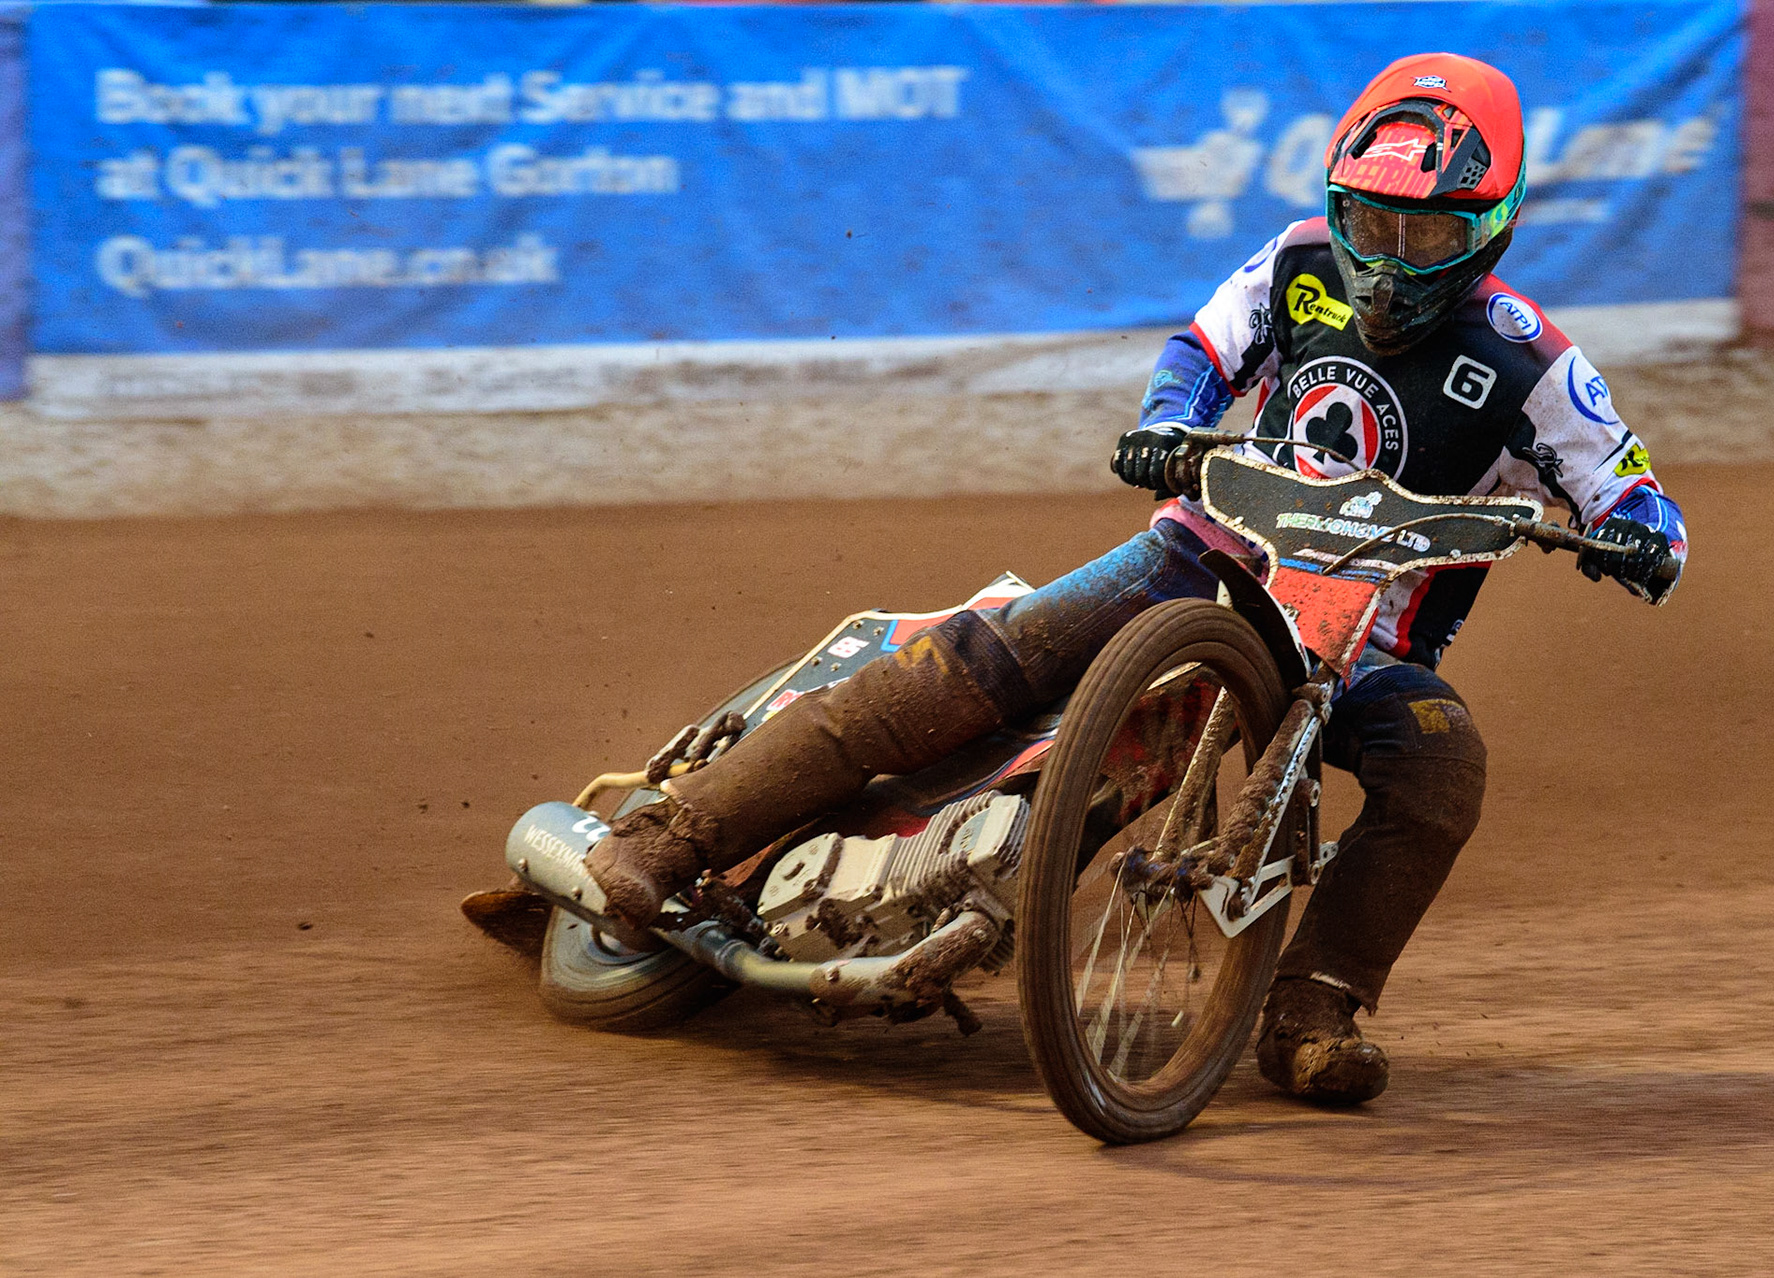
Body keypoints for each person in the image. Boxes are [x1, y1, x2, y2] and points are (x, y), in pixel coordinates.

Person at [560, 52, 1687, 1104]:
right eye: (1369, 221)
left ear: (1491, 231)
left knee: (1443, 771)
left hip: (1366, 651)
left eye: (1424, 234)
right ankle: (674, 838)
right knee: (980, 663)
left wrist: (1643, 539)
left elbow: (1631, 491)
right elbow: (1203, 350)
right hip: (1206, 552)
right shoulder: (1298, 263)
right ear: (1336, 206)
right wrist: (1168, 425)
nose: (1388, 260)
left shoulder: (1533, 361)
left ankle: (1312, 1011)